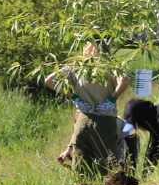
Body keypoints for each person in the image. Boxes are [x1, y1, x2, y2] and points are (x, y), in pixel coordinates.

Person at [45, 43, 130, 177]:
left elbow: (49, 80)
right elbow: (124, 81)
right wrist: (111, 100)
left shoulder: (76, 66)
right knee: (106, 167)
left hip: (83, 120)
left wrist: (74, 97)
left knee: (81, 167)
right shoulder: (110, 66)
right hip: (105, 120)